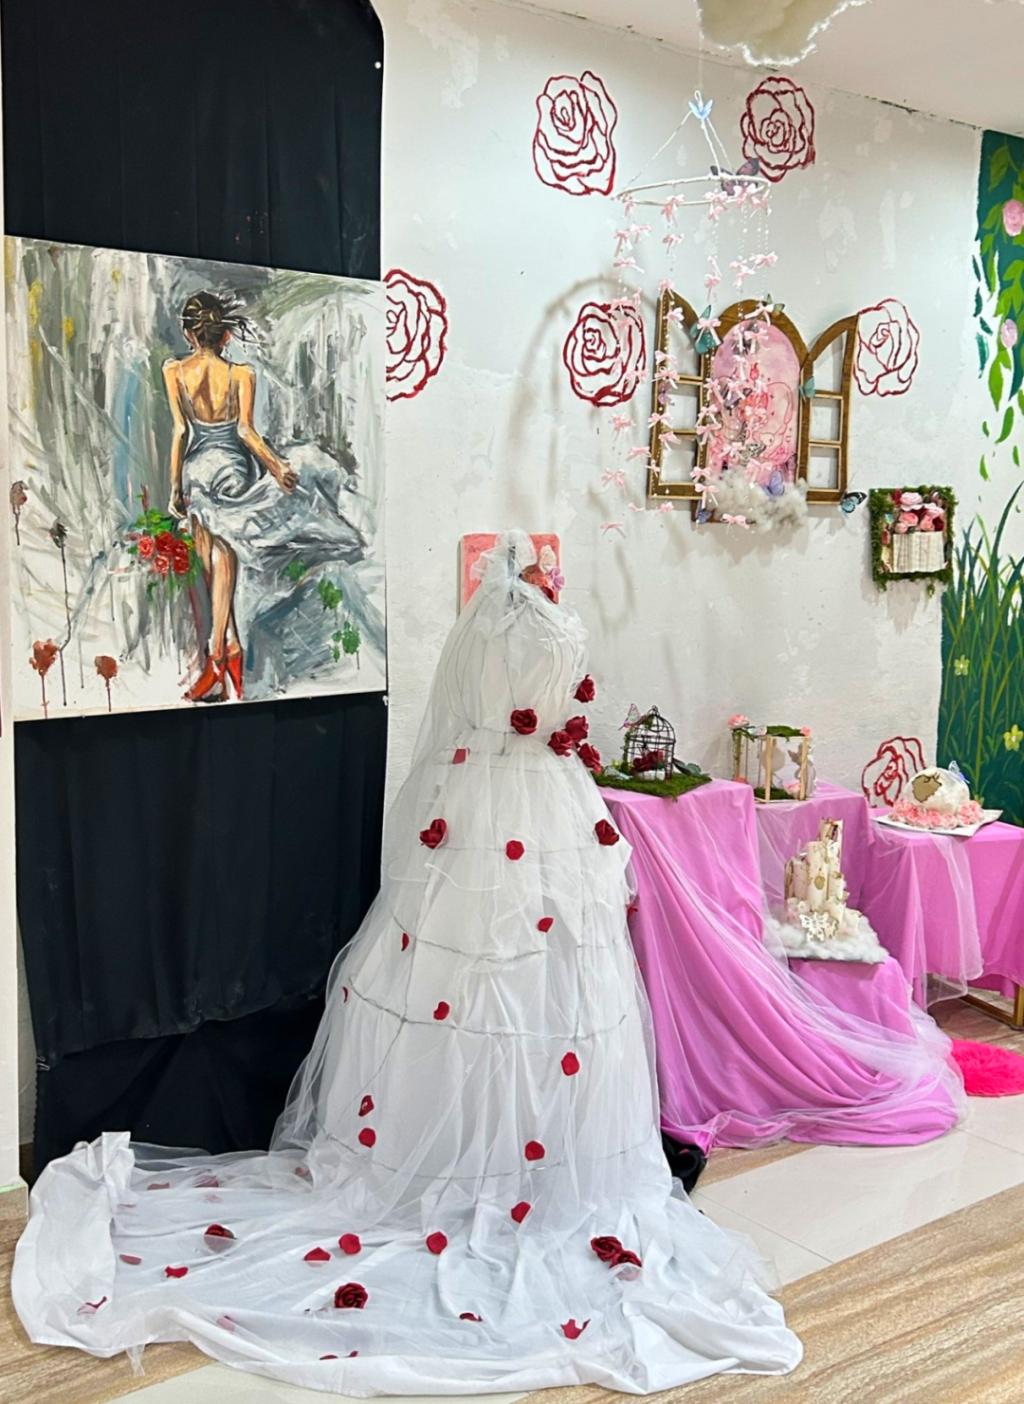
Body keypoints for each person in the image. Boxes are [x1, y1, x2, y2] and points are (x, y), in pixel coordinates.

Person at [12, 531, 802, 1395]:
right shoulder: (514, 621)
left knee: (521, 986)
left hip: (522, 801)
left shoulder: (508, 623)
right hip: (524, 801)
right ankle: (471, 1162)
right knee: (488, 983)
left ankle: (515, 1163)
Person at [163, 291, 365, 702]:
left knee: (215, 555)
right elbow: (244, 432)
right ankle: (227, 650)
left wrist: (175, 488)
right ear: (224, 335)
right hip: (231, 467)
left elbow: (181, 432)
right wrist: (276, 467)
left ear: (189, 334)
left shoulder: (174, 371)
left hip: (196, 470)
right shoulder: (241, 375)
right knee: (222, 552)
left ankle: (218, 654)